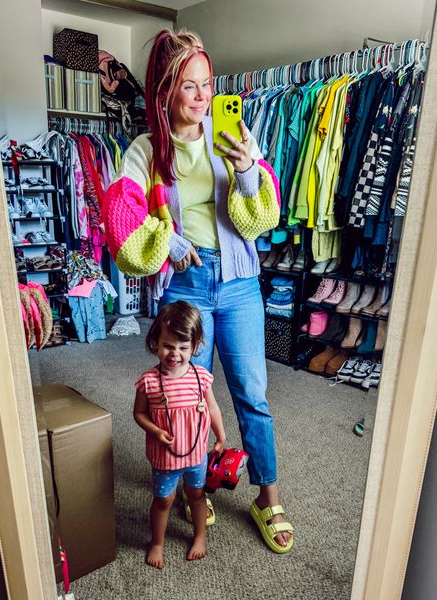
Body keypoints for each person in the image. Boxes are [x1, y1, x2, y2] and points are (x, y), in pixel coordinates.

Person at [103, 28, 294, 554]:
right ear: (165, 91)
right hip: (185, 287)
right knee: (186, 396)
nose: (202, 97)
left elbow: (260, 220)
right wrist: (170, 242)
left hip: (238, 283)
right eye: (189, 86)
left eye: (207, 85)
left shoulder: (231, 135)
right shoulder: (145, 152)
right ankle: (196, 484)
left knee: (252, 393)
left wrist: (248, 171)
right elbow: (124, 227)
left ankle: (267, 496)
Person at [134, 300, 226, 568]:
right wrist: (155, 430)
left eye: (184, 347)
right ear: (155, 343)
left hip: (196, 452)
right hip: (165, 455)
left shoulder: (201, 376)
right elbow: (138, 414)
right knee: (163, 499)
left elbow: (212, 407)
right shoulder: (148, 381)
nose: (175, 354)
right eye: (168, 346)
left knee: (197, 495)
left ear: (195, 347)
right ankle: (157, 542)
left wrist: (220, 436)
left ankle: (200, 536)